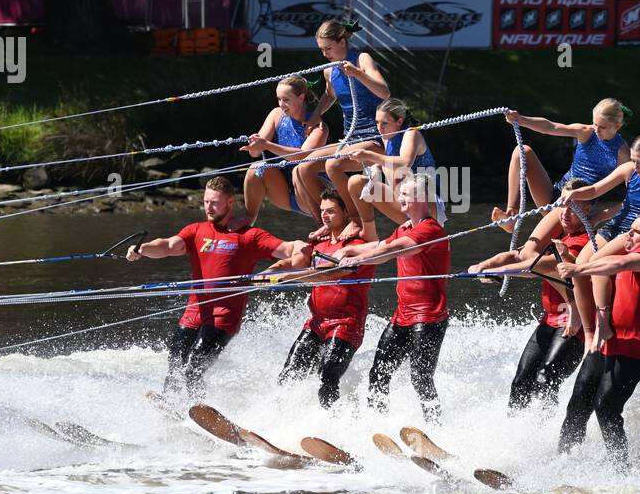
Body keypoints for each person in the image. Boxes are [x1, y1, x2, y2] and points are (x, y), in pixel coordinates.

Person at [128, 177, 309, 402]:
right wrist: (143, 249)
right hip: (195, 311)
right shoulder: (196, 230)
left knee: (194, 365)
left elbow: (288, 248)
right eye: (205, 202)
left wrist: (303, 247)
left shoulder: (249, 236)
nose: (208, 208)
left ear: (230, 203)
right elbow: (167, 246)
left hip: (223, 317)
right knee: (176, 359)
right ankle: (170, 402)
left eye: (214, 203)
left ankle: (198, 408)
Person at [550, 133, 640, 350]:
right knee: (580, 264)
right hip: (614, 226)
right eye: (633, 160)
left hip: (634, 233)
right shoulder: (629, 169)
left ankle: (603, 323)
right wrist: (573, 195)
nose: (635, 166)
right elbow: (595, 189)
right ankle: (587, 330)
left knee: (593, 264)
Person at [555, 210, 640, 464]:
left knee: (606, 407)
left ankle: (621, 472)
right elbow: (605, 272)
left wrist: (578, 268)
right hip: (608, 342)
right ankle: (562, 463)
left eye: (635, 232)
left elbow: (616, 264)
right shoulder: (630, 256)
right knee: (578, 404)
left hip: (634, 350)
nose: (628, 235)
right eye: (629, 229)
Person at [335, 173, 450, 422]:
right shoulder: (404, 228)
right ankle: (378, 424)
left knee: (420, 378)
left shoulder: (430, 230)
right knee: (378, 374)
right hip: (402, 316)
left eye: (405, 194)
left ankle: (436, 427)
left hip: (428, 318)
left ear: (421, 198)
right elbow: (382, 244)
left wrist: (358, 260)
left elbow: (393, 249)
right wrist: (349, 249)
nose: (399, 198)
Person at [470, 182, 594, 409]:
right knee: (520, 382)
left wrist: (497, 273)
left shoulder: (584, 244)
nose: (564, 213)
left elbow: (536, 266)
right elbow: (516, 256)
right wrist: (483, 265)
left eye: (572, 207)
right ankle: (514, 434)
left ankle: (542, 437)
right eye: (562, 207)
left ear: (586, 211)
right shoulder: (559, 238)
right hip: (550, 321)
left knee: (545, 380)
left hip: (574, 327)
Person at [272, 190, 376, 408]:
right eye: (322, 212)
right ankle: (281, 418)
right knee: (289, 374)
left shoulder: (357, 247)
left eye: (331, 211)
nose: (325, 216)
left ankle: (334, 425)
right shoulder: (319, 245)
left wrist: (289, 277)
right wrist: (271, 272)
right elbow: (292, 262)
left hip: (346, 325)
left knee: (327, 377)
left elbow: (330, 273)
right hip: (317, 323)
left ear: (346, 212)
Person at [295, 19, 391, 235]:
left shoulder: (361, 58)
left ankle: (355, 219)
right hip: (350, 137)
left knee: (332, 166)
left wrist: (358, 74)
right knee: (304, 167)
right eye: (321, 50)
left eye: (328, 48)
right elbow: (330, 95)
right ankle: (329, 223)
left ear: (342, 41)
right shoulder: (330, 70)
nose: (325, 54)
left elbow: (385, 92)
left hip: (375, 136)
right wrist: (315, 117)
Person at [491, 99, 631, 231]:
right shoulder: (586, 132)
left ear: (617, 126)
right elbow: (551, 126)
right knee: (522, 152)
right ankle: (511, 214)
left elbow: (634, 197)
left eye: (602, 127)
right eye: (594, 124)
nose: (596, 129)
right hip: (556, 195)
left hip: (577, 210)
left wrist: (598, 217)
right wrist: (520, 119)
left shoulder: (622, 153)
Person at [240, 75, 330, 225]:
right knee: (255, 168)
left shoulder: (318, 127)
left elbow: (301, 157)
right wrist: (254, 145)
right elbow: (254, 154)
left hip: (312, 194)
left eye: (286, 100)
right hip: (285, 192)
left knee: (299, 170)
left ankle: (325, 226)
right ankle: (248, 220)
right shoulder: (276, 114)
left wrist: (267, 145)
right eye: (279, 99)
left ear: (301, 98)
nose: (281, 104)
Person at [343, 97, 444, 230]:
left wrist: (369, 155)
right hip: (403, 200)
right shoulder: (387, 137)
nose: (379, 128)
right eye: (377, 122)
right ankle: (367, 232)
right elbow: (389, 160)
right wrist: (376, 167)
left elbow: (404, 162)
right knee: (355, 183)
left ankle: (418, 225)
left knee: (391, 169)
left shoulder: (411, 134)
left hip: (426, 201)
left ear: (399, 121)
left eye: (384, 123)